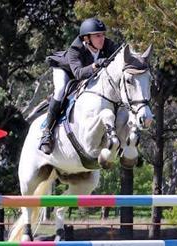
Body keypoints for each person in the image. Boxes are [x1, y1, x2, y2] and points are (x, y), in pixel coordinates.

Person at [40, 17, 120, 154]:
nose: (102, 38)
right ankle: (47, 132)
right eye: (98, 36)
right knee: (60, 90)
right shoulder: (75, 49)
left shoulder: (107, 44)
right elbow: (77, 74)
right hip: (65, 70)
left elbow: (120, 56)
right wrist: (95, 65)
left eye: (103, 35)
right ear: (87, 38)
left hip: (86, 73)